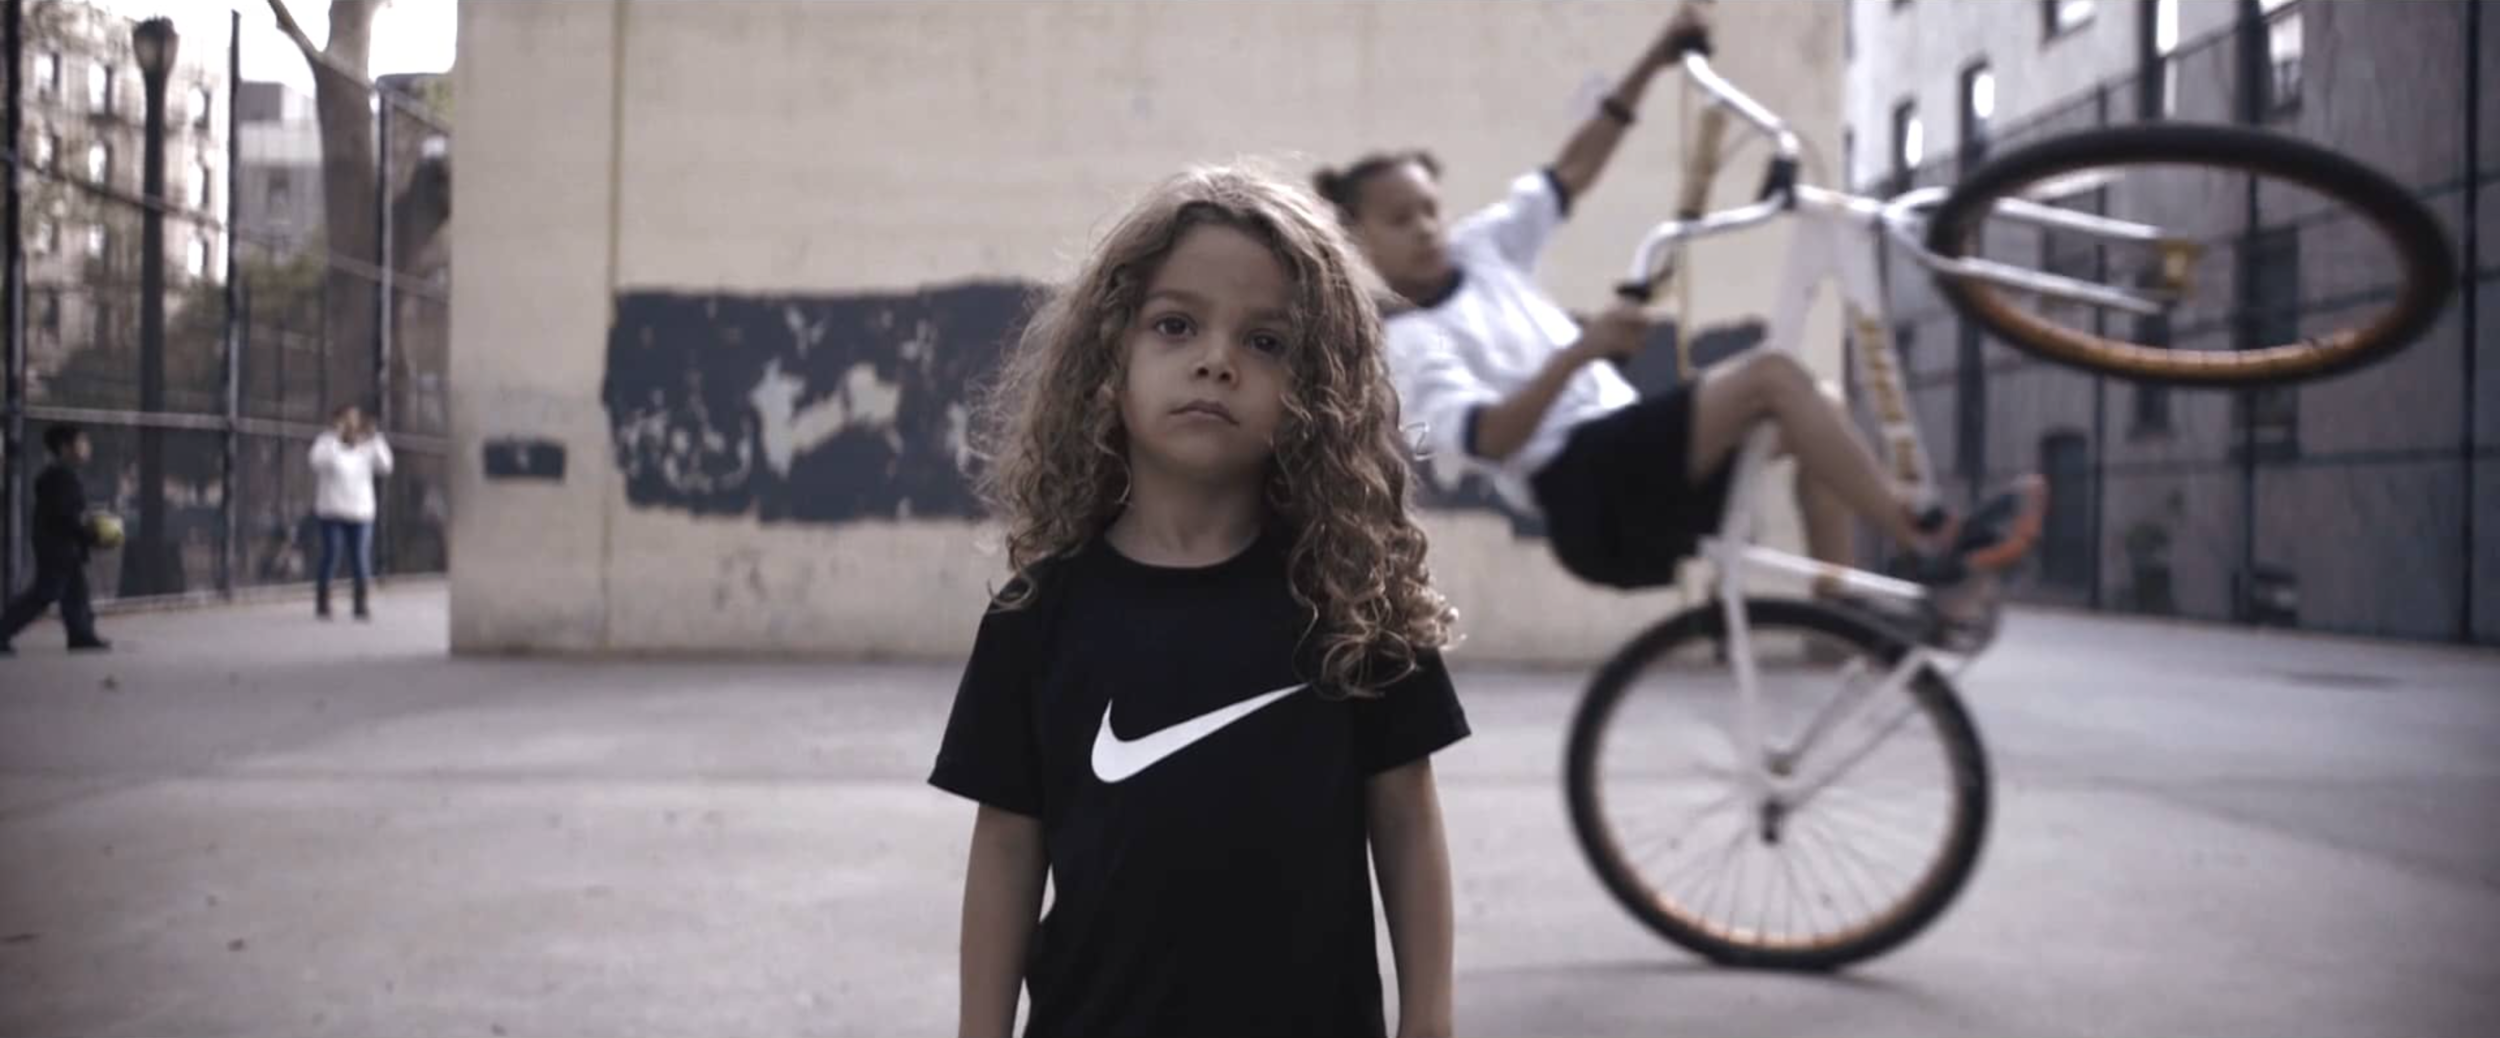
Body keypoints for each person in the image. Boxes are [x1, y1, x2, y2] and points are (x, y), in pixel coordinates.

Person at [930, 165, 1467, 1038]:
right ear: (1111, 358)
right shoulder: (1038, 617)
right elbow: (1006, 844)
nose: (1217, 360)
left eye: (1267, 341)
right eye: (1175, 325)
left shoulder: (1351, 596)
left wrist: (1430, 1021)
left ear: (1318, 391)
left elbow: (1406, 820)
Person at [1316, 4, 2045, 639]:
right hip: (1585, 490)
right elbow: (1490, 438)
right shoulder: (1408, 341)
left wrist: (1657, 59)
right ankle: (1930, 543)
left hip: (1632, 452)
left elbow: (1574, 168)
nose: (1426, 228)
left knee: (1815, 406)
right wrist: (1582, 352)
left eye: (1431, 209)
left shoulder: (1484, 249)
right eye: (1400, 219)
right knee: (1770, 376)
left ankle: (1841, 612)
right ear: (1359, 238)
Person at [1, 424, 110, 655]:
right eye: (81, 442)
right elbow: (64, 515)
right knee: (45, 593)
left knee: (76, 590)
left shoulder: (63, 474)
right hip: (56, 546)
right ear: (64, 448)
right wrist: (88, 533)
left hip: (64, 545)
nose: (87, 447)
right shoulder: (58, 476)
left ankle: (81, 634)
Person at [308, 403, 393, 620]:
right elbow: (316, 462)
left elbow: (386, 466)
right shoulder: (326, 442)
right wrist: (333, 437)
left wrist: (377, 439)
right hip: (332, 511)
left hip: (360, 512)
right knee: (331, 555)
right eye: (345, 418)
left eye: (354, 418)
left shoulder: (368, 446)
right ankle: (323, 602)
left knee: (360, 558)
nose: (350, 423)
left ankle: (360, 604)